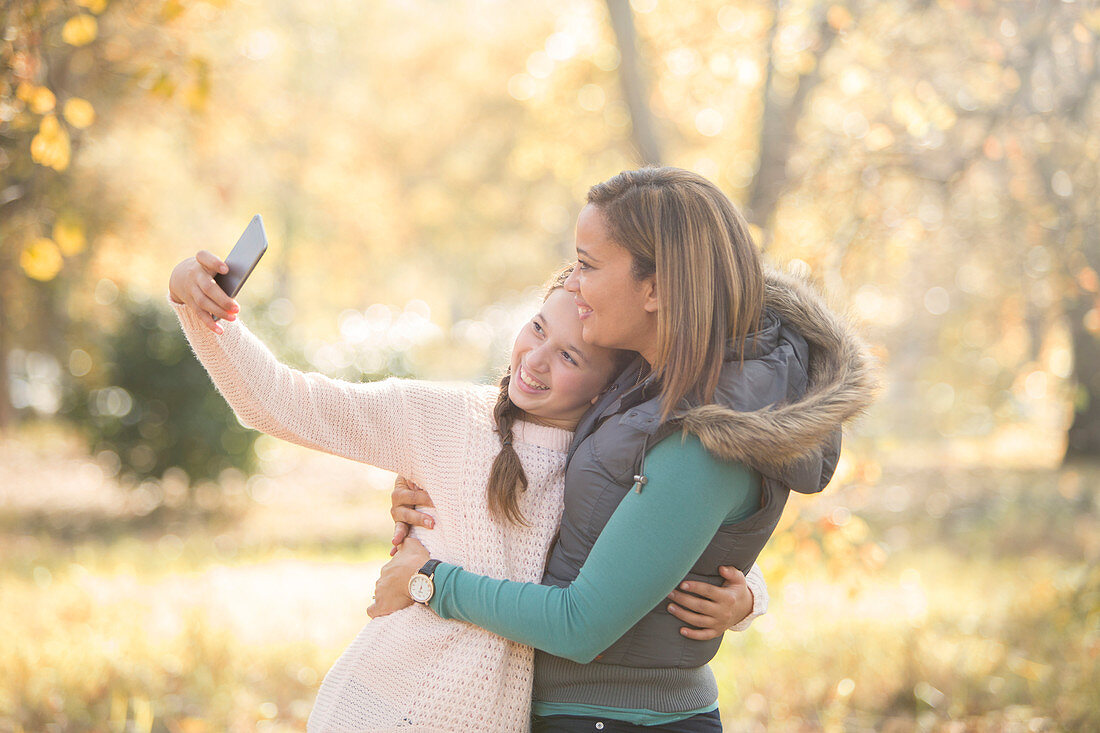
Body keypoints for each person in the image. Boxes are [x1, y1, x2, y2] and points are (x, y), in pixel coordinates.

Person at [167, 257, 768, 732]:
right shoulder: (442, 416)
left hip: (496, 716)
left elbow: (666, 543)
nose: (534, 359)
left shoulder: (610, 463)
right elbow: (284, 401)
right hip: (386, 699)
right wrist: (197, 306)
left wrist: (746, 597)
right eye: (537, 327)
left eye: (568, 355)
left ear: (609, 387)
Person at [374, 166, 878, 732]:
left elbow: (581, 624)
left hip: (620, 719)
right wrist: (441, 489)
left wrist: (431, 579)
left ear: (657, 289)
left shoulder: (705, 439)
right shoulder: (649, 383)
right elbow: (610, 519)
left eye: (588, 265)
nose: (574, 284)